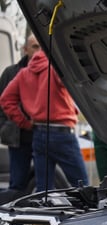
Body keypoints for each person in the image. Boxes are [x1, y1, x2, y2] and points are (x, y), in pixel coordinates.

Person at [0, 48, 89, 192]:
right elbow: (72, 83)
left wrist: (24, 122)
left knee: (44, 189)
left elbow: (5, 99)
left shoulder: (24, 73)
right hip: (62, 133)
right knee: (83, 185)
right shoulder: (55, 68)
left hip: (38, 134)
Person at [0, 35, 40, 200]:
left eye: (41, 47)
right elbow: (2, 102)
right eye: (35, 47)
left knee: (45, 185)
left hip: (42, 136)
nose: (39, 51)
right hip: (18, 138)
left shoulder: (48, 71)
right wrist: (4, 126)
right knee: (17, 185)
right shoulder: (11, 72)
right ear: (25, 50)